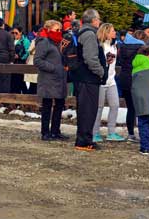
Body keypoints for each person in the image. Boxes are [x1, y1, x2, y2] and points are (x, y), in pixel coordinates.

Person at [72, 9, 104, 151]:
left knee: (86, 109)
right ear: (93, 20)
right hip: (88, 78)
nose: (99, 21)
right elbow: (90, 58)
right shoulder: (90, 34)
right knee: (87, 110)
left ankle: (85, 138)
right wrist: (101, 72)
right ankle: (84, 141)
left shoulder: (83, 33)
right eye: (98, 19)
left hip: (84, 77)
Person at [34, 20, 68, 140]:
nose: (59, 32)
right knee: (47, 106)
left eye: (60, 30)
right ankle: (45, 132)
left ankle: (55, 131)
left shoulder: (58, 42)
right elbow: (37, 60)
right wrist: (53, 68)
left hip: (59, 79)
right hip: (49, 79)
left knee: (59, 105)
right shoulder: (44, 42)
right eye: (56, 30)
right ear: (48, 29)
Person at [93, 23, 124, 142]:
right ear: (106, 32)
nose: (115, 32)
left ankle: (111, 132)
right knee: (99, 107)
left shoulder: (114, 45)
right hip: (101, 82)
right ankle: (94, 132)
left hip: (111, 81)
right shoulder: (100, 46)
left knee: (115, 105)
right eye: (112, 31)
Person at [116, 31, 145, 142]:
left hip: (125, 78)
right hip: (137, 79)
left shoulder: (122, 47)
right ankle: (143, 133)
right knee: (141, 108)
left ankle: (131, 133)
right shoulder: (141, 47)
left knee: (131, 108)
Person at [10, 27, 31, 94]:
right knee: (14, 81)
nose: (14, 34)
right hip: (12, 62)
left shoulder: (25, 41)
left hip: (20, 62)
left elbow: (27, 52)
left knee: (20, 80)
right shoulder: (11, 40)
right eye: (13, 33)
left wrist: (20, 56)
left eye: (16, 33)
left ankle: (24, 98)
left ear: (21, 33)